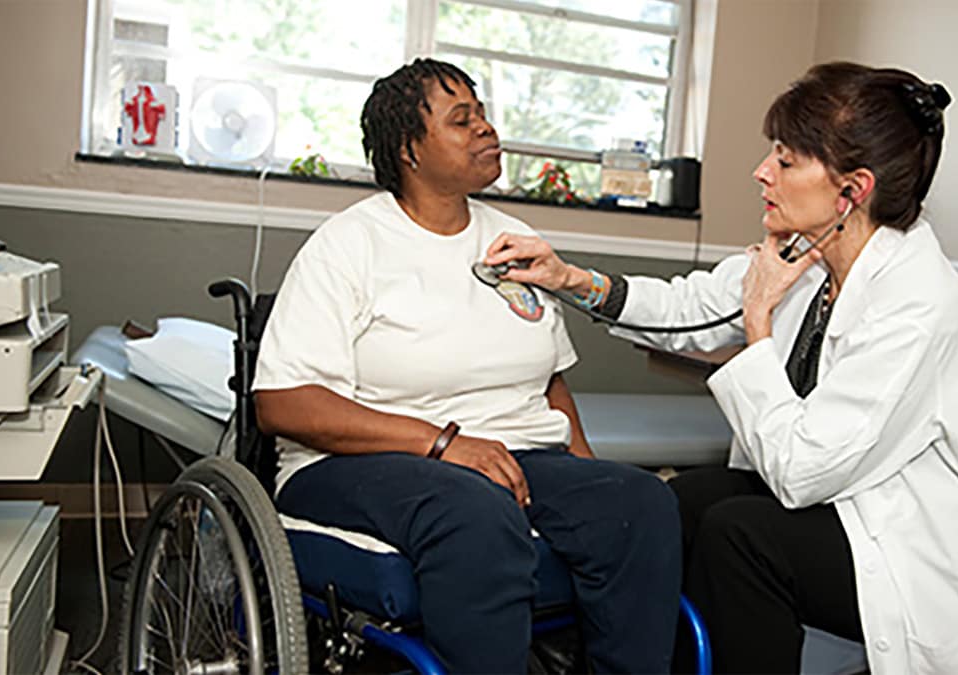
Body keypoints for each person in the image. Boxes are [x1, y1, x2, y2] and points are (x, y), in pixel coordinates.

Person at [484, 62, 958, 674]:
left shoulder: (916, 305)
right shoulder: (809, 253)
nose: (761, 171)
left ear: (852, 191)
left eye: (786, 159)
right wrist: (569, 277)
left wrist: (760, 324)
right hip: (850, 500)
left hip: (931, 548)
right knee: (672, 503)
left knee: (743, 537)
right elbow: (691, 306)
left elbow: (798, 473)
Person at [252, 58, 680, 674]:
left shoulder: (510, 238)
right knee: (475, 509)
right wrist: (444, 444)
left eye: (481, 113)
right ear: (409, 149)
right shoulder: (349, 245)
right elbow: (283, 406)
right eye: (462, 119)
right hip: (358, 464)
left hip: (510, 456)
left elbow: (549, 381)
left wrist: (587, 472)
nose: (486, 128)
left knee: (640, 502)